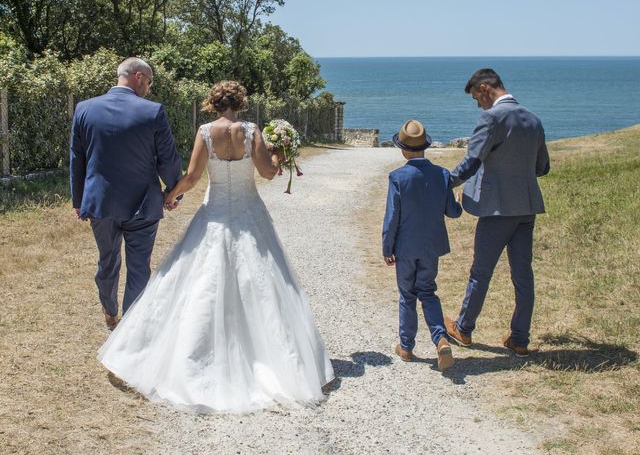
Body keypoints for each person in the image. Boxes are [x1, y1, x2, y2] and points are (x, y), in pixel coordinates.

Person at [98, 80, 334, 413]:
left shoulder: (206, 131)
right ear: (240, 102)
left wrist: (173, 194)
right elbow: (267, 173)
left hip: (215, 213)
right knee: (264, 284)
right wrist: (280, 157)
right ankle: (273, 358)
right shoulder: (251, 131)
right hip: (249, 213)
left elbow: (193, 176)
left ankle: (190, 357)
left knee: (197, 282)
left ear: (213, 102)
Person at [444, 68, 550, 357]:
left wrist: (443, 182)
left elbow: (471, 162)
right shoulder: (533, 119)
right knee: (523, 274)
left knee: (481, 272)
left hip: (496, 209)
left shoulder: (491, 118)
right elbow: (542, 167)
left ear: (484, 89)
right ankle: (520, 338)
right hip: (526, 208)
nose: (478, 105)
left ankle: (464, 329)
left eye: (476, 98)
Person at [70, 57, 182, 330]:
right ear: (139, 77)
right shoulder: (153, 111)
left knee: (107, 262)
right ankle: (130, 329)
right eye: (150, 83)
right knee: (139, 268)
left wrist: (78, 199)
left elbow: (77, 158)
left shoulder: (84, 109)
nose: (149, 90)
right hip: (142, 204)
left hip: (100, 203)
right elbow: (167, 159)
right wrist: (173, 191)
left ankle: (110, 312)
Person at [382, 119, 462, 371]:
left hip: (405, 247)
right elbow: (453, 212)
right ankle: (440, 339)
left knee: (407, 295)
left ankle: (406, 346)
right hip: (431, 246)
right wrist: (458, 200)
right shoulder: (442, 174)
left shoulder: (397, 177)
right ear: (424, 147)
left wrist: (387, 247)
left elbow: (391, 217)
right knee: (427, 292)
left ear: (403, 149)